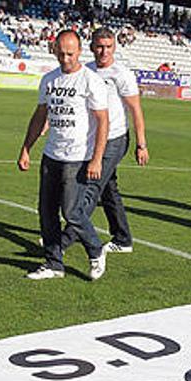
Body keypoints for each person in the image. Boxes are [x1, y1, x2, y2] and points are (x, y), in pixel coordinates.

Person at [18, 29, 109, 279]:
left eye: (70, 53)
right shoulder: (49, 80)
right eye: (61, 53)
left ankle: (95, 249)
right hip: (51, 155)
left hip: (78, 157)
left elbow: (103, 121)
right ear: (54, 50)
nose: (65, 58)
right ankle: (53, 263)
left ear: (79, 52)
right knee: (46, 211)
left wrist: (97, 158)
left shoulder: (90, 81)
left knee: (71, 212)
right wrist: (26, 148)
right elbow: (40, 117)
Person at [59, 27, 147, 255]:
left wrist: (141, 144)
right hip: (93, 138)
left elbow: (136, 110)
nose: (104, 51)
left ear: (115, 47)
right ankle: (123, 238)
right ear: (91, 47)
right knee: (108, 189)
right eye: (99, 46)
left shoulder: (122, 74)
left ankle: (65, 239)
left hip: (115, 139)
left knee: (91, 186)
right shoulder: (86, 70)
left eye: (108, 47)